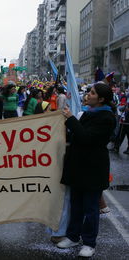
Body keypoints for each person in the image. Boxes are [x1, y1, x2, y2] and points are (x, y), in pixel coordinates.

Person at [57, 82, 116, 258]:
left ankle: (89, 243)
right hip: (78, 166)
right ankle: (73, 236)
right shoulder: (89, 113)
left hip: (93, 168)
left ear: (101, 99)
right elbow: (76, 135)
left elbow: (86, 138)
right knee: (76, 205)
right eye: (89, 92)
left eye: (92, 93)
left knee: (91, 208)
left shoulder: (107, 118)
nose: (88, 95)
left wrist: (71, 119)